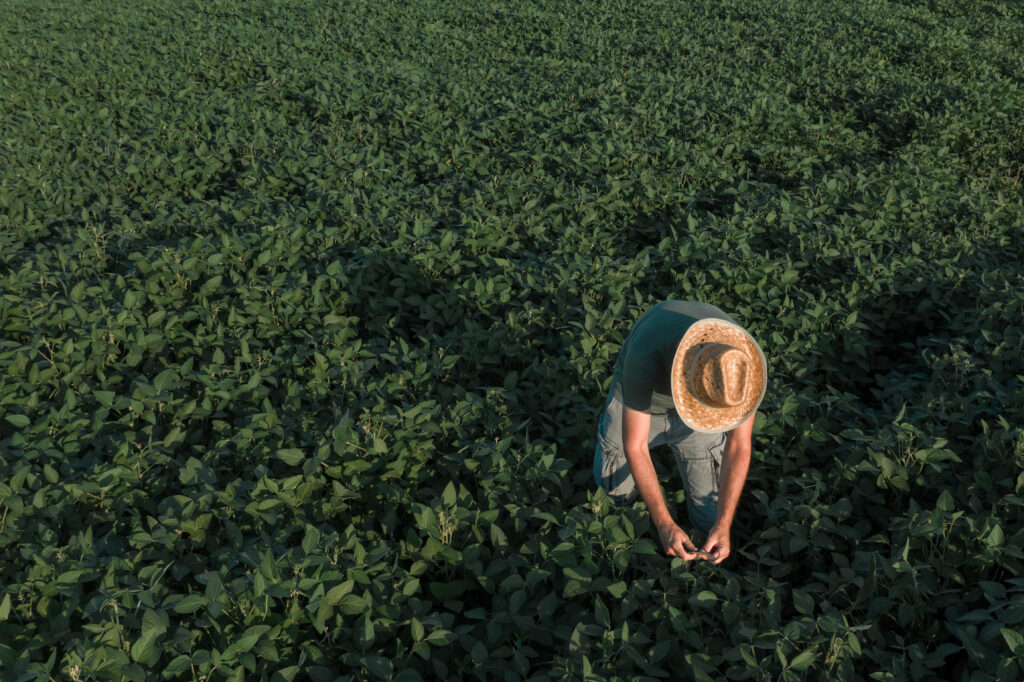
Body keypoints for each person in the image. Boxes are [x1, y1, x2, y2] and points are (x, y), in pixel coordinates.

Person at [592, 300, 767, 564]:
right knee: (614, 496)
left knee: (709, 518)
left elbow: (739, 446)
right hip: (639, 406)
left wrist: (723, 523)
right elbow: (635, 445)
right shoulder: (646, 354)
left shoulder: (742, 366)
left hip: (702, 407)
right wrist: (664, 523)